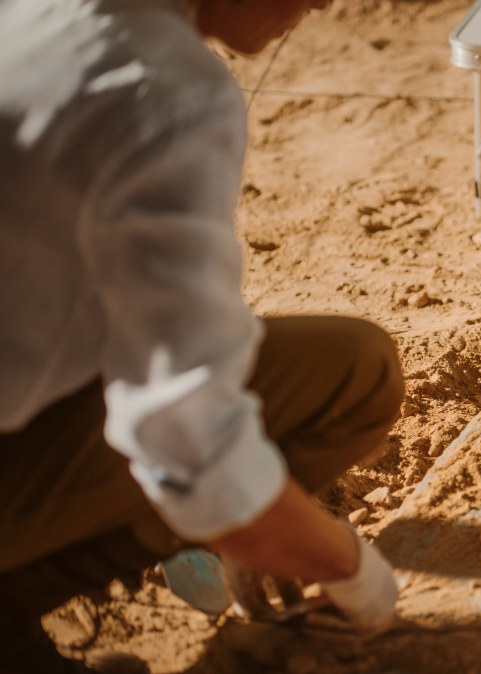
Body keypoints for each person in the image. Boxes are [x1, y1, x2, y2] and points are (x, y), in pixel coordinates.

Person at [0, 0, 405, 670]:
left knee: (323, 365)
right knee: (356, 376)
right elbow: (186, 435)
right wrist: (346, 566)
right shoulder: (160, 82)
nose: (325, 4)